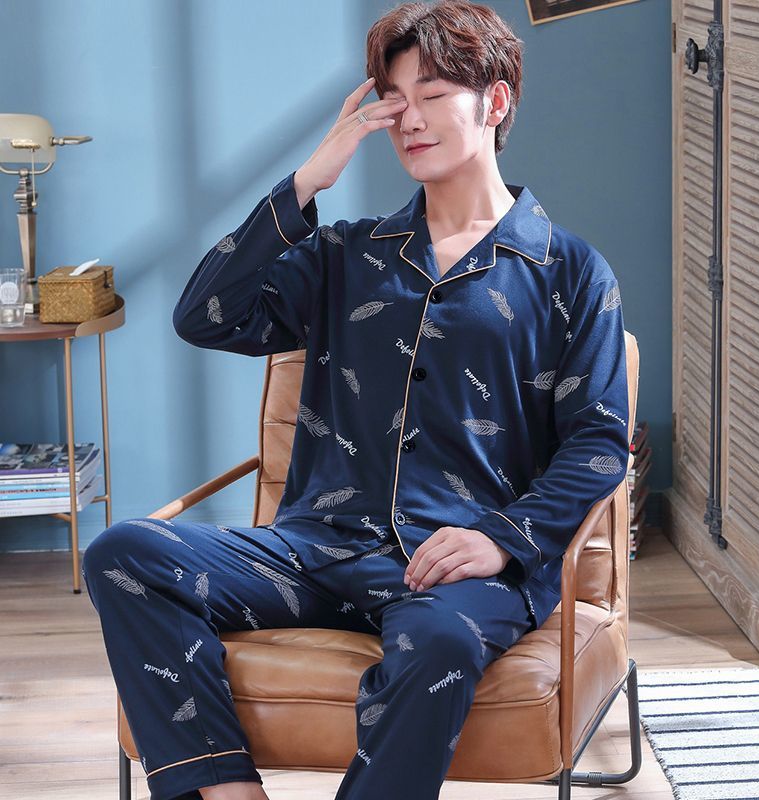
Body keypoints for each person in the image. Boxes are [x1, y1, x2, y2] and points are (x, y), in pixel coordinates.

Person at [83, 1, 630, 799]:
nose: (410, 119)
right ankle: (228, 792)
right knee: (123, 552)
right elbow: (205, 315)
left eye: (433, 94)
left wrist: (501, 539)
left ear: (496, 101)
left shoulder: (570, 272)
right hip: (315, 551)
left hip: (452, 567)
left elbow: (599, 442)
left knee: (440, 646)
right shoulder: (346, 254)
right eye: (395, 99)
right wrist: (309, 180)